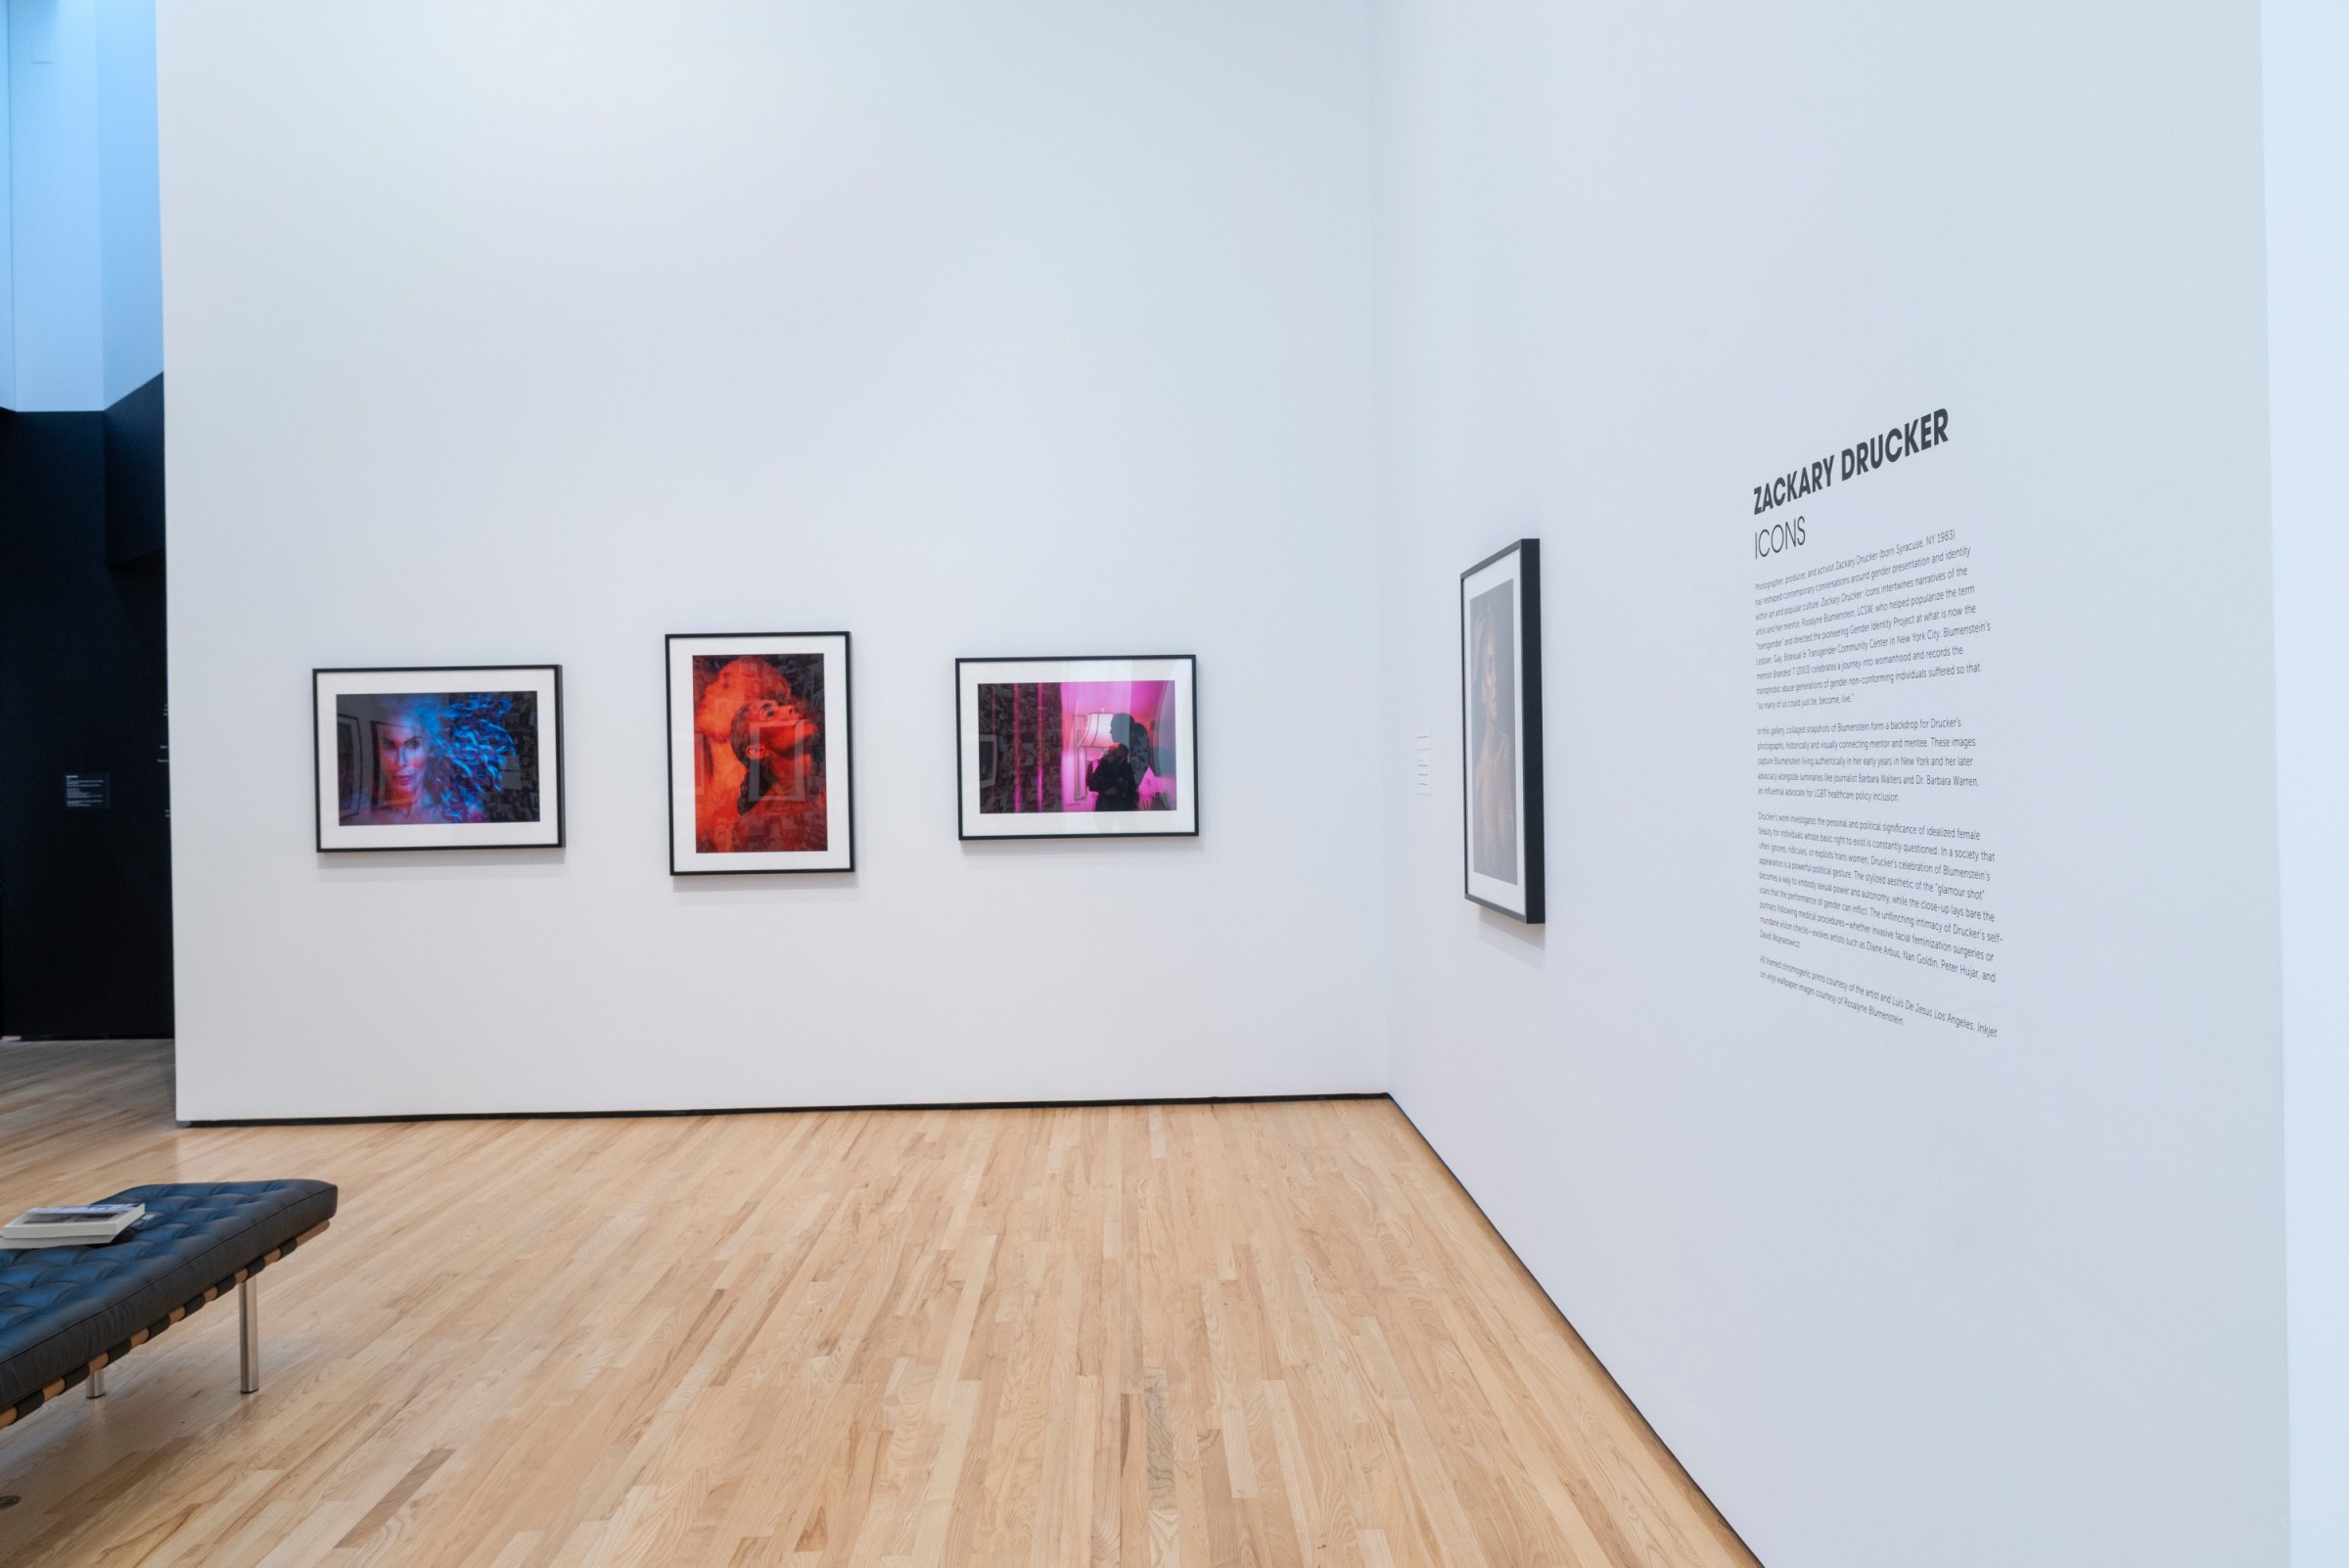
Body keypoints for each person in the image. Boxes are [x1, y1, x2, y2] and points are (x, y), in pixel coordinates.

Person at [345, 697, 481, 825]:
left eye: (413, 744)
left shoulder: (464, 815)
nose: (400, 762)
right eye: (389, 745)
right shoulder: (356, 816)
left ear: (431, 749)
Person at [1471, 605, 1517, 882]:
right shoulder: (1477, 776)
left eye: (1498, 664)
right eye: (1489, 666)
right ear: (1480, 684)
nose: (1496, 677)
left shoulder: (1510, 754)